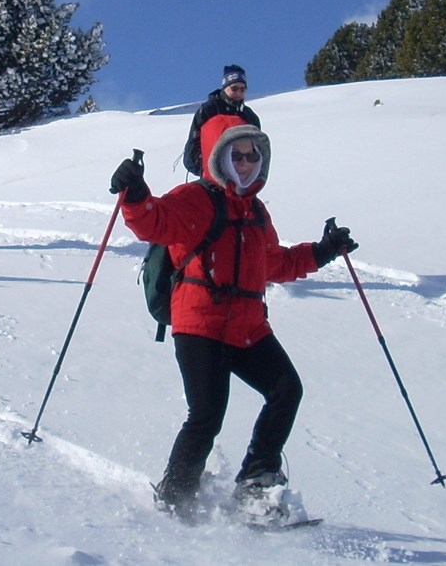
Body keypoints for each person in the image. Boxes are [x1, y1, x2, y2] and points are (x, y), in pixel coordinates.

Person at [110, 113, 358, 520]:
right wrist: (135, 194)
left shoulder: (257, 213)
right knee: (207, 414)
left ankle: (256, 481)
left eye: (252, 156)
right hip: (200, 323)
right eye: (236, 155)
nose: (245, 163)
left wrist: (323, 250)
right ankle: (176, 498)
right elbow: (153, 221)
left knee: (285, 390)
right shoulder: (195, 199)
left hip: (247, 326)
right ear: (219, 158)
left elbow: (274, 264)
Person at [181, 64, 260, 177]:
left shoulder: (250, 117)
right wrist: (207, 169)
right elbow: (192, 148)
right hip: (212, 178)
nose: (238, 93)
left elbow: (257, 149)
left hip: (242, 179)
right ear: (225, 87)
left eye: (242, 89)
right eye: (234, 88)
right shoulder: (208, 110)